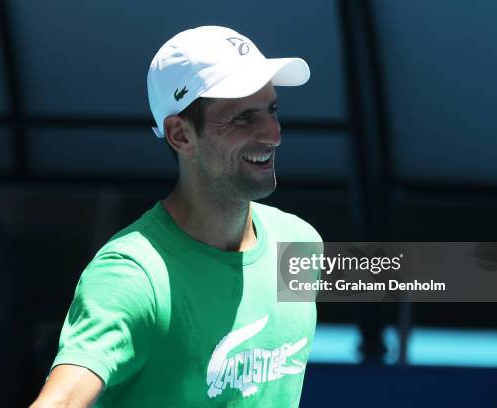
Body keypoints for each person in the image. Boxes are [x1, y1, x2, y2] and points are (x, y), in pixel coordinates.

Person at [30, 25, 322, 407]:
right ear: (180, 135)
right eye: (243, 118)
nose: (273, 134)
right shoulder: (132, 275)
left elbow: (408, 274)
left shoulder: (299, 243)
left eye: (271, 110)